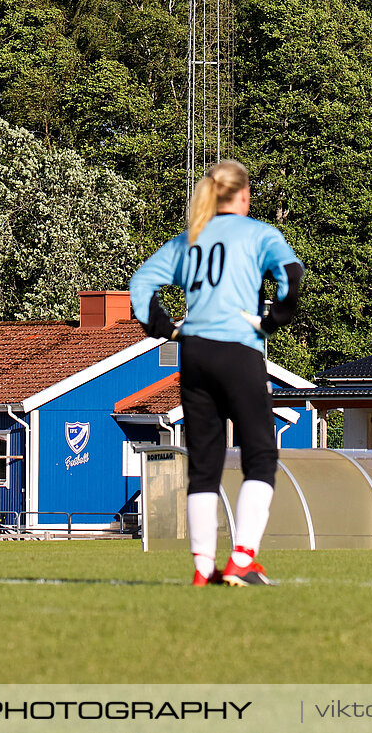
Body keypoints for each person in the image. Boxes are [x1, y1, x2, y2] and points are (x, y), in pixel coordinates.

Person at [129, 159, 303, 586]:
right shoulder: (260, 233)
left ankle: (204, 568)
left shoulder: (191, 237)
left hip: (196, 353)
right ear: (243, 195)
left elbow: (140, 286)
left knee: (204, 464)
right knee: (260, 455)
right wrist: (272, 320)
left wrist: (165, 329)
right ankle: (243, 559)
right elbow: (292, 275)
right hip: (238, 349)